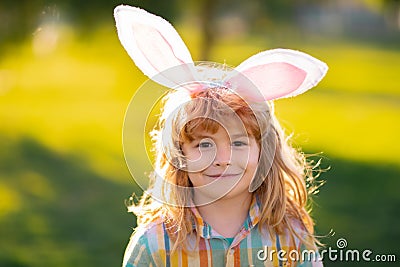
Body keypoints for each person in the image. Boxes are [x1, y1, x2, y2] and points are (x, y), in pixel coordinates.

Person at [114, 5, 328, 267]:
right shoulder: (156, 244)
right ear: (180, 154)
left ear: (264, 151)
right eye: (204, 144)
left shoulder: (289, 235)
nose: (223, 159)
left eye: (239, 142)